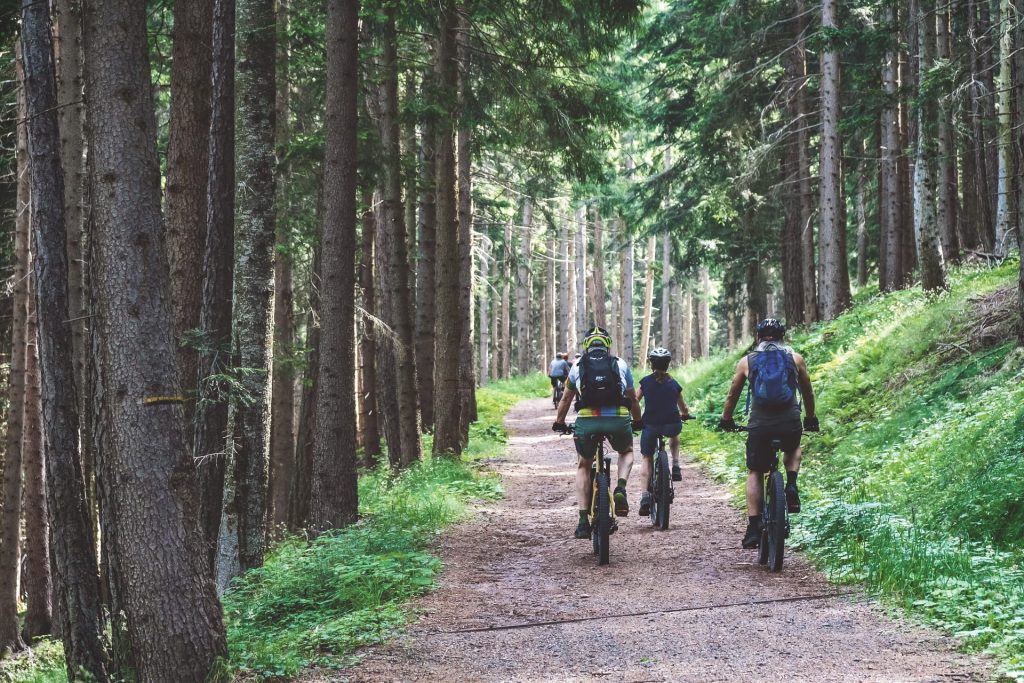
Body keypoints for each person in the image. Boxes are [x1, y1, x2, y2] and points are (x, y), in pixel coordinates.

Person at [718, 318, 819, 549]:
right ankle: (791, 484)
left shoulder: (747, 361)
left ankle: (753, 528)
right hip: (789, 420)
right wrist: (811, 418)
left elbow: (732, 395)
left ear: (758, 337)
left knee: (755, 470)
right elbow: (808, 392)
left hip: (760, 423)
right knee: (793, 447)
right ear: (783, 336)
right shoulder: (796, 359)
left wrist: (726, 420)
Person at [553, 327, 643, 539]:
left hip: (588, 421)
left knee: (584, 464)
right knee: (627, 451)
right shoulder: (620, 364)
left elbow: (566, 399)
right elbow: (633, 398)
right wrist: (637, 420)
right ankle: (620, 487)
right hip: (618, 420)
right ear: (607, 344)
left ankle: (583, 521)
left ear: (586, 346)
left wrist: (559, 422)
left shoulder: (577, 366)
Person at [635, 347, 692, 517]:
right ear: (668, 365)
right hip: (671, 424)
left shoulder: (645, 382)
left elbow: (635, 401)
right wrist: (686, 415)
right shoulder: (674, 384)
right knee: (675, 433)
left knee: (646, 458)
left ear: (651, 364)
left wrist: (635, 419)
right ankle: (675, 464)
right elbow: (683, 407)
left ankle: (645, 496)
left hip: (650, 425)